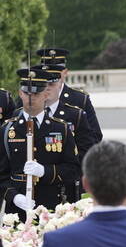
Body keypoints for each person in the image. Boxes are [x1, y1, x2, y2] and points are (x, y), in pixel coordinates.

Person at [0, 68, 80, 221]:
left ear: (46, 94)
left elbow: (73, 170)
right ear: (20, 93)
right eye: (27, 93)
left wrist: (45, 171)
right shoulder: (7, 129)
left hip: (51, 208)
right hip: (17, 212)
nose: (31, 98)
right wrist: (14, 196)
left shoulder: (60, 129)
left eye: (36, 94)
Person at [36, 64, 101, 201]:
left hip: (66, 185)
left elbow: (88, 147)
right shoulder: (26, 115)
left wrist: (66, 171)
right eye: (42, 85)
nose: (47, 89)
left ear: (60, 84)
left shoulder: (75, 115)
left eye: (51, 85)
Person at [37, 47, 103, 141]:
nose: (50, 77)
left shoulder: (80, 100)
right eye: (46, 73)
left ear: (65, 72)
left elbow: (95, 136)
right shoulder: (30, 98)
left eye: (56, 73)